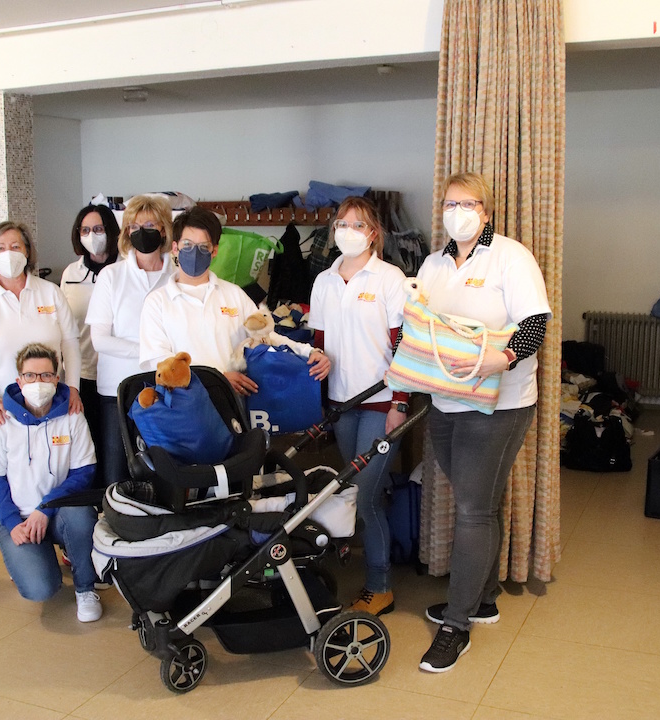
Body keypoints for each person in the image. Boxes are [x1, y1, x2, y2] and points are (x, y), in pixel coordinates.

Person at [415, 172, 551, 673]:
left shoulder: (510, 257)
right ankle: (484, 597)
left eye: (468, 204)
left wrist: (505, 357)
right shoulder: (433, 264)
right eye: (450, 204)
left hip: (500, 403)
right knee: (477, 502)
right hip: (446, 401)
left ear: (486, 212)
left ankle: (456, 624)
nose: (458, 212)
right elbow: (420, 323)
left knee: (473, 509)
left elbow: (535, 323)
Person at [308, 196, 408, 616]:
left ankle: (380, 587)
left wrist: (400, 402)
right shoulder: (324, 281)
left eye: (359, 224)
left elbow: (404, 346)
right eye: (342, 224)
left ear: (373, 233)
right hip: (341, 404)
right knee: (354, 492)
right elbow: (317, 345)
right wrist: (317, 405)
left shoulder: (389, 279)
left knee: (365, 496)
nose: (349, 231)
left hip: (382, 403)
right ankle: (371, 564)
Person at [138, 206, 331, 391]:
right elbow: (160, 363)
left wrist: (309, 351)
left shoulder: (234, 294)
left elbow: (266, 336)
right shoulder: (157, 302)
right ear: (175, 248)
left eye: (203, 246)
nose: (195, 252)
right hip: (185, 405)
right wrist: (218, 378)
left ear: (214, 251)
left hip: (232, 401)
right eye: (187, 244)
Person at [0, 343, 102, 622]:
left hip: (59, 513)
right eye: (31, 376)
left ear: (57, 379)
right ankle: (30, 557)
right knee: (40, 589)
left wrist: (45, 509)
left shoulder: (72, 416)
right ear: (19, 381)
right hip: (21, 520)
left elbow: (84, 472)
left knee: (82, 516)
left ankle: (85, 588)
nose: (39, 382)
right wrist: (11, 522)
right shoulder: (2, 421)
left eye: (46, 375)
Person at [0, 221, 83, 433]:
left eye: (15, 247)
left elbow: (70, 345)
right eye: (0, 248)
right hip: (1, 413)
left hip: (52, 408)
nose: (9, 254)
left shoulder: (51, 293)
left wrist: (73, 389)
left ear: (27, 252)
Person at [86, 194, 176, 488]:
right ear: (126, 232)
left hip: (164, 388)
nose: (141, 232)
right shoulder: (111, 276)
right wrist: (150, 353)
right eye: (134, 227)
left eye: (149, 225)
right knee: (117, 471)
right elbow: (100, 340)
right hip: (117, 389)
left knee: (162, 470)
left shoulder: (176, 276)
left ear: (163, 229)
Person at [61, 197, 119, 474]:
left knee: (115, 444)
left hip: (117, 371)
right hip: (83, 372)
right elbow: (64, 324)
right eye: (85, 230)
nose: (91, 236)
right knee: (88, 441)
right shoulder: (71, 273)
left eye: (98, 229)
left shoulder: (124, 270)